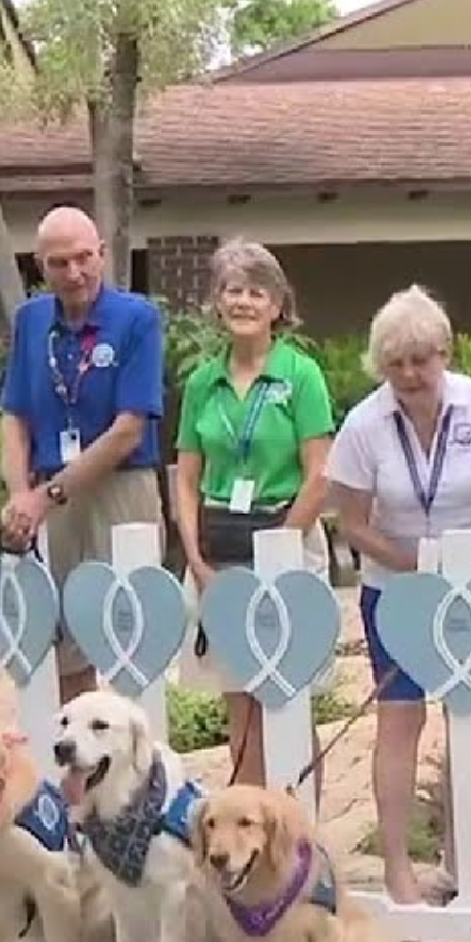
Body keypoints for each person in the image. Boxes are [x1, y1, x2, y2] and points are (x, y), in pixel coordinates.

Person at [323, 287, 471, 905]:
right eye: (396, 364)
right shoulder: (364, 423)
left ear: (444, 352)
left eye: (422, 359)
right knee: (400, 719)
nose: (411, 375)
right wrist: (417, 564)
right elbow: (352, 521)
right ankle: (397, 871)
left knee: (468, 714)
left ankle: (468, 863)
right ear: (380, 365)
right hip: (397, 590)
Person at [171, 239, 335, 786]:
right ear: (217, 302)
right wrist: (195, 559)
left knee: (287, 691)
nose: (243, 301)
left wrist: (282, 546)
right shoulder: (201, 382)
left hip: (287, 534)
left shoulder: (301, 375)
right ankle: (246, 818)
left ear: (278, 305)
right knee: (238, 692)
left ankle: (296, 822)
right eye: (232, 290)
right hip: (219, 547)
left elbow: (320, 473)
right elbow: (187, 479)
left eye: (256, 291)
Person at [0, 206, 166, 705]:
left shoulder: (136, 318)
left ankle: (138, 759)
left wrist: (43, 498)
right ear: (39, 265)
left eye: (84, 258)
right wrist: (19, 496)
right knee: (67, 637)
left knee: (132, 625)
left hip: (120, 486)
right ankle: (79, 766)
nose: (74, 273)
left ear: (103, 255)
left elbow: (128, 430)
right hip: (51, 493)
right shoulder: (31, 322)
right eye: (58, 263)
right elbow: (14, 415)